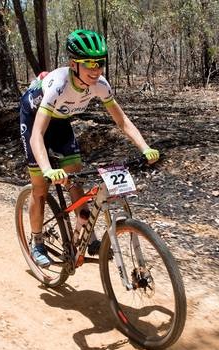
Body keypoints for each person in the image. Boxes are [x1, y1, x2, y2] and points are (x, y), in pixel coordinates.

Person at [19, 29, 159, 268]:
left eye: (100, 63)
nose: (96, 70)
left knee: (75, 177)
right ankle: (37, 242)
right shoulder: (59, 85)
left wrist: (145, 147)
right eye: (89, 64)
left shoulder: (100, 85)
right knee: (40, 187)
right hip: (35, 119)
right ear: (74, 64)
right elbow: (37, 136)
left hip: (60, 120)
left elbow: (122, 121)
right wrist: (47, 169)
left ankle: (84, 233)